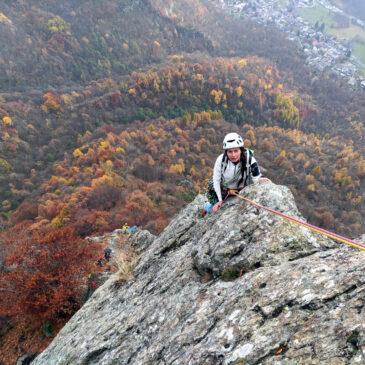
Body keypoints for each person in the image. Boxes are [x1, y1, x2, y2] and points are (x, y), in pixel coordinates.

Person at [206, 132, 268, 213]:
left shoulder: (250, 160)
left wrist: (261, 180)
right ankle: (206, 206)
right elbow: (216, 180)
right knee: (212, 210)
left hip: (241, 190)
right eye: (230, 152)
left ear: (241, 150)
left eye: (236, 151)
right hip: (224, 191)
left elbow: (256, 179)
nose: (233, 155)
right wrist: (220, 200)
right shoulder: (220, 160)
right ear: (226, 152)